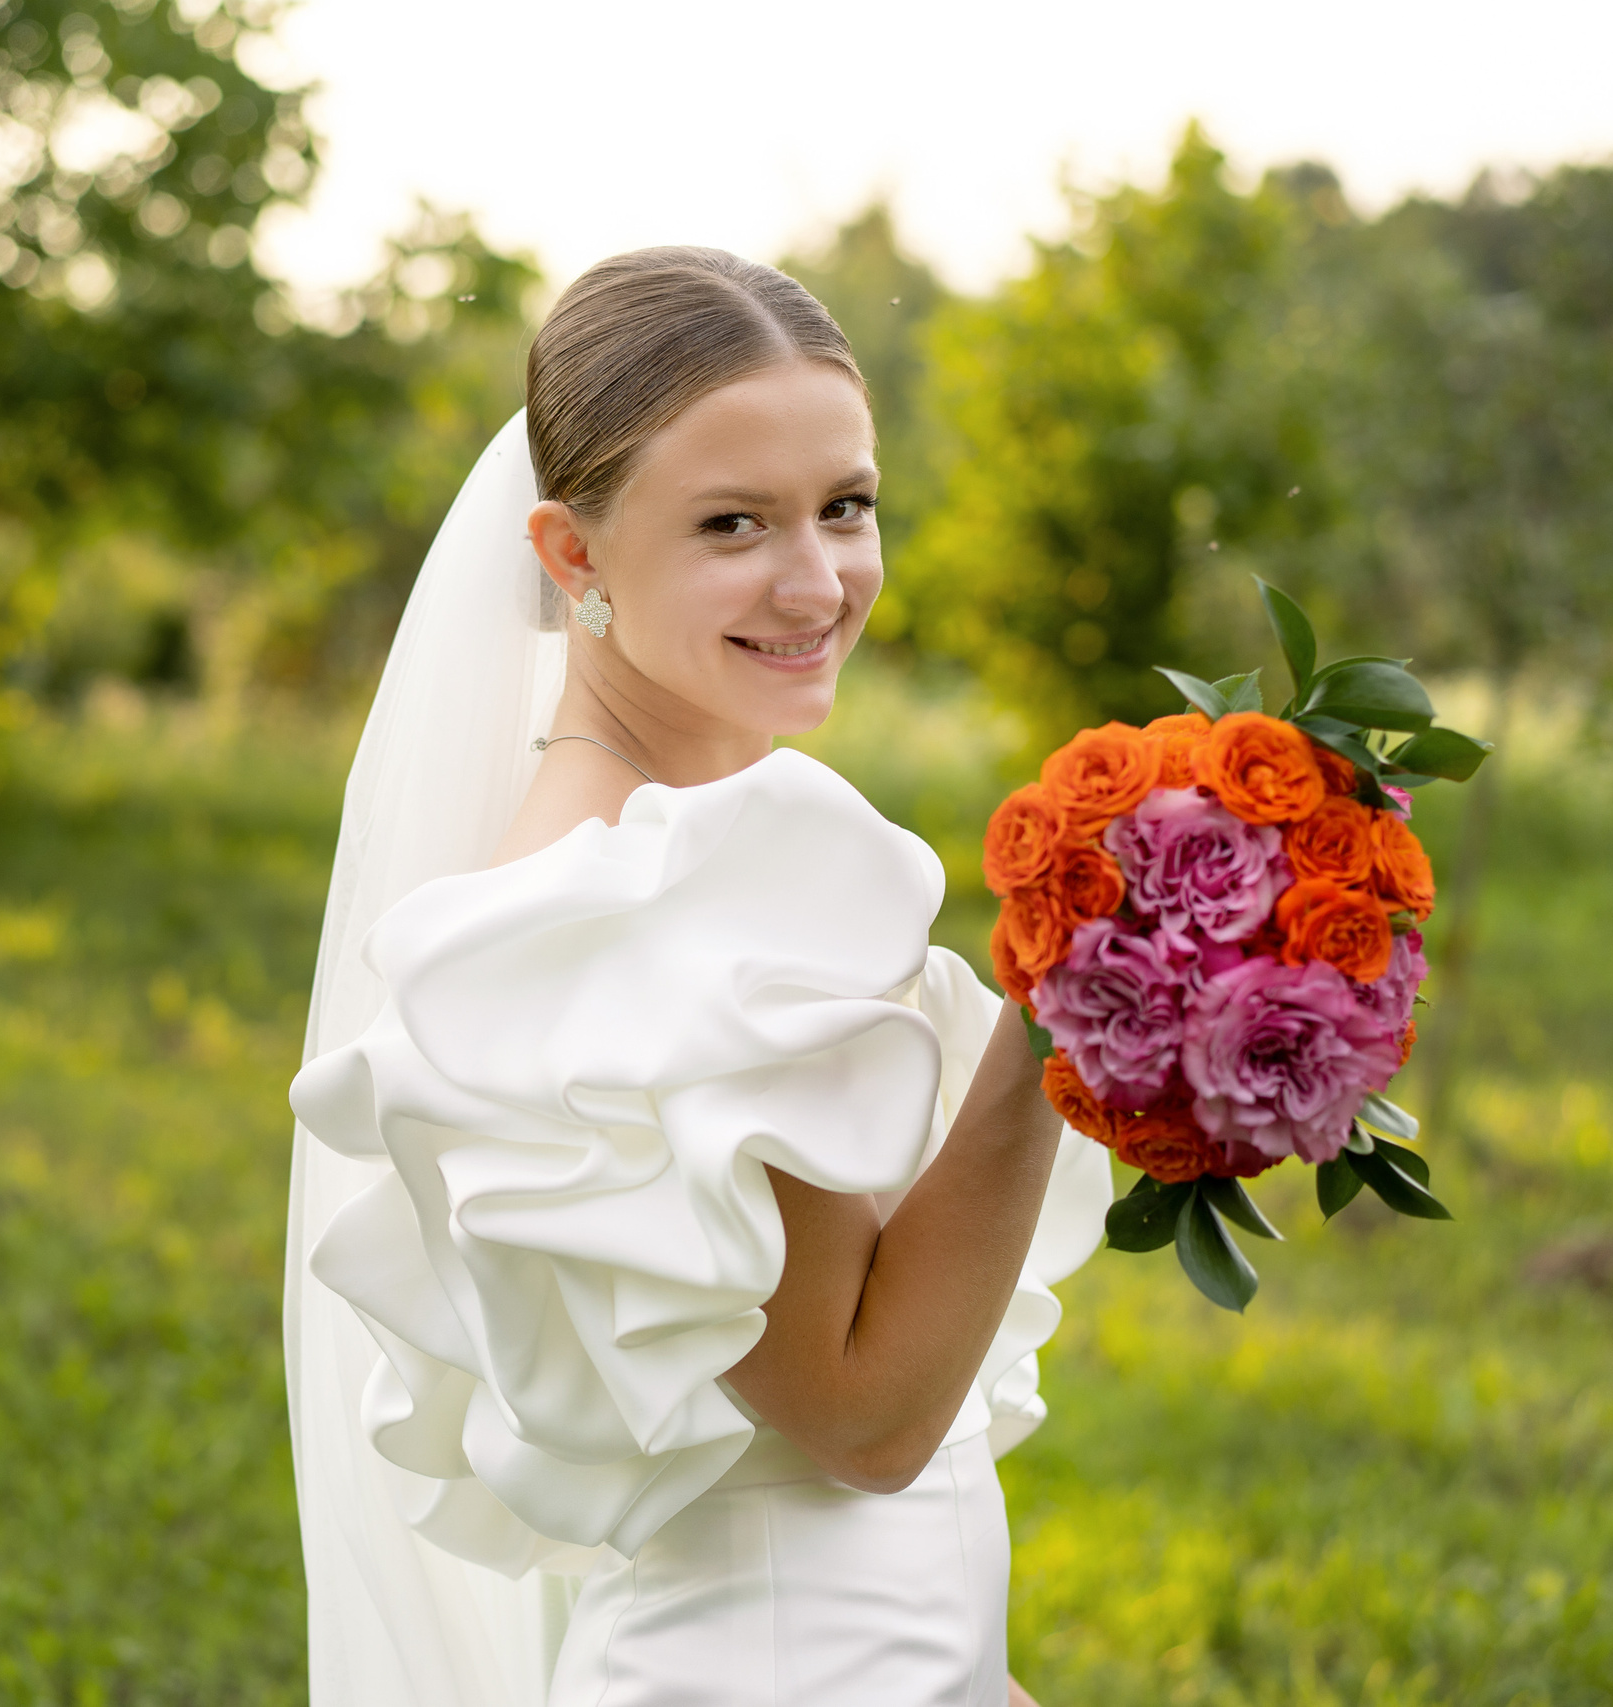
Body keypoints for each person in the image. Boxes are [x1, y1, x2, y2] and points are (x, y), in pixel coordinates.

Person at [285, 247, 1112, 1707]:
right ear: (572, 556)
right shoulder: (619, 906)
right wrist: (1071, 994)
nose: (818, 582)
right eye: (734, 523)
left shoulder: (704, 845)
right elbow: (860, 1419)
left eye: (846, 507)